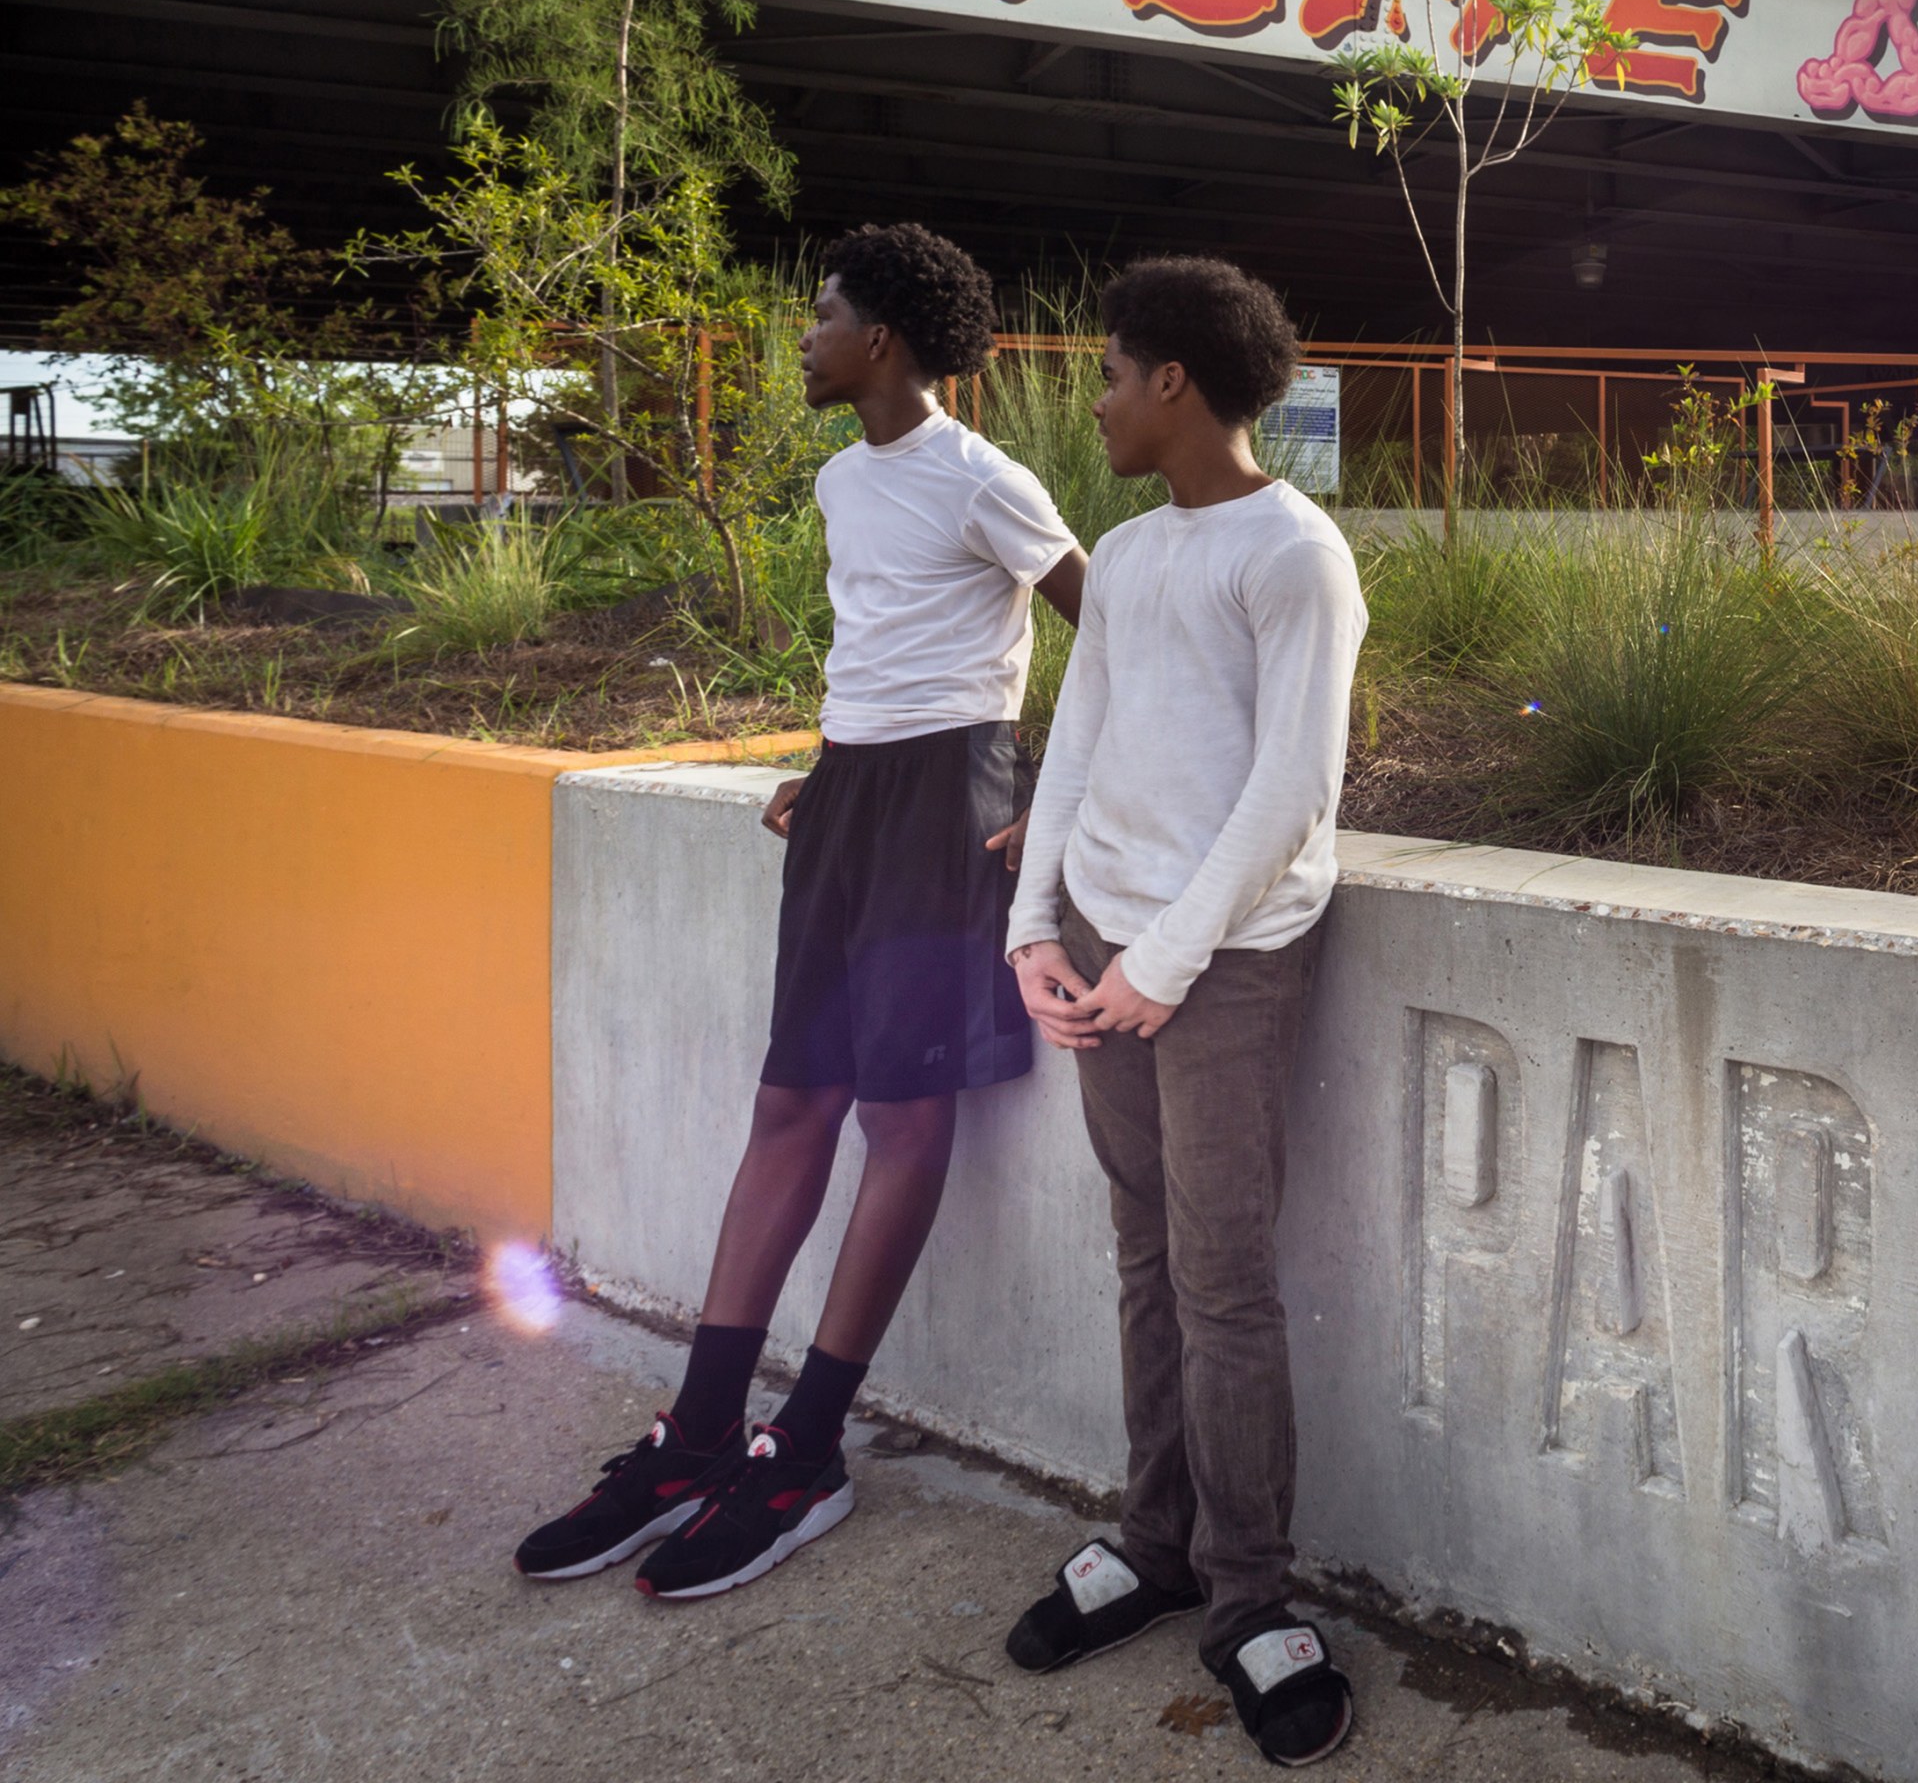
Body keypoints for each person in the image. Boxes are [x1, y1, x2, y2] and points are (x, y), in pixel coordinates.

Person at [513, 223, 1084, 1602]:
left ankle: (807, 1449)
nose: (804, 338)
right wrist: (826, 767)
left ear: (880, 338)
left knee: (900, 1118)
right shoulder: (843, 480)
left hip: (950, 806)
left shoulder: (983, 479)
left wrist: (1052, 794)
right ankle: (700, 1432)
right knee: (790, 1105)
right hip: (848, 809)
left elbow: (1108, 620)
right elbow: (876, 645)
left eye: (820, 316)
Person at [1000, 257, 1368, 1768]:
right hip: (1100, 943)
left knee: (1223, 1284)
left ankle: (1251, 1602)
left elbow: (1296, 791)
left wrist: (1167, 961)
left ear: (1173, 384)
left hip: (1220, 967)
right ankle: (1153, 1543)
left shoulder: (1294, 554)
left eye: (1106, 374)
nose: (1091, 400)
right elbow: (1074, 746)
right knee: (1144, 1256)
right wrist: (1037, 928)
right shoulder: (1132, 558)